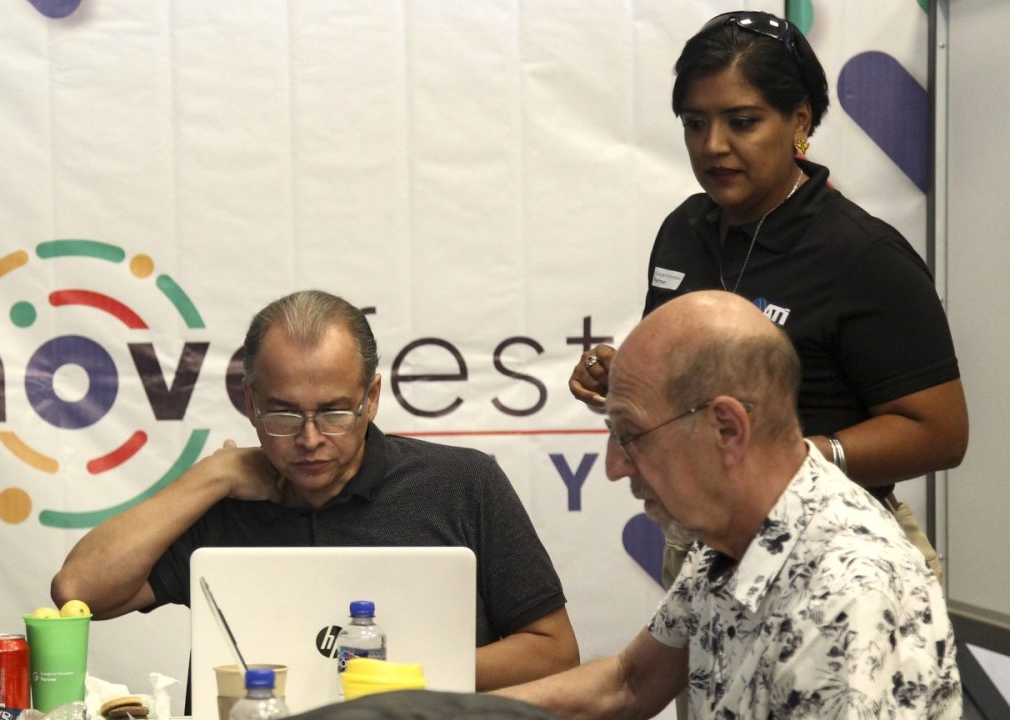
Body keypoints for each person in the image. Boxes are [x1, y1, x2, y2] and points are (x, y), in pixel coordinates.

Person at [570, 10, 966, 587]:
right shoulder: (683, 229)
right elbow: (689, 386)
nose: (713, 145)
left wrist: (794, 459)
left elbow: (940, 433)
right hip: (706, 554)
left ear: (798, 120)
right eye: (694, 123)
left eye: (742, 121)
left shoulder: (862, 253)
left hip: (841, 560)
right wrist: (621, 377)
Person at [51, 289, 579, 691]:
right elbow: (79, 592)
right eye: (283, 414)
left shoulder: (461, 483)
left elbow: (554, 652)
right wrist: (212, 475)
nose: (309, 440)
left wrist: (396, 677)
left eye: (334, 412)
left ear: (372, 397)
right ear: (250, 402)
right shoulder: (220, 503)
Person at [496, 290, 960, 719]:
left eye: (631, 436)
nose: (615, 467)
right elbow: (628, 683)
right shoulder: (735, 537)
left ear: (727, 429)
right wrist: (458, 710)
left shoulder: (847, 592)